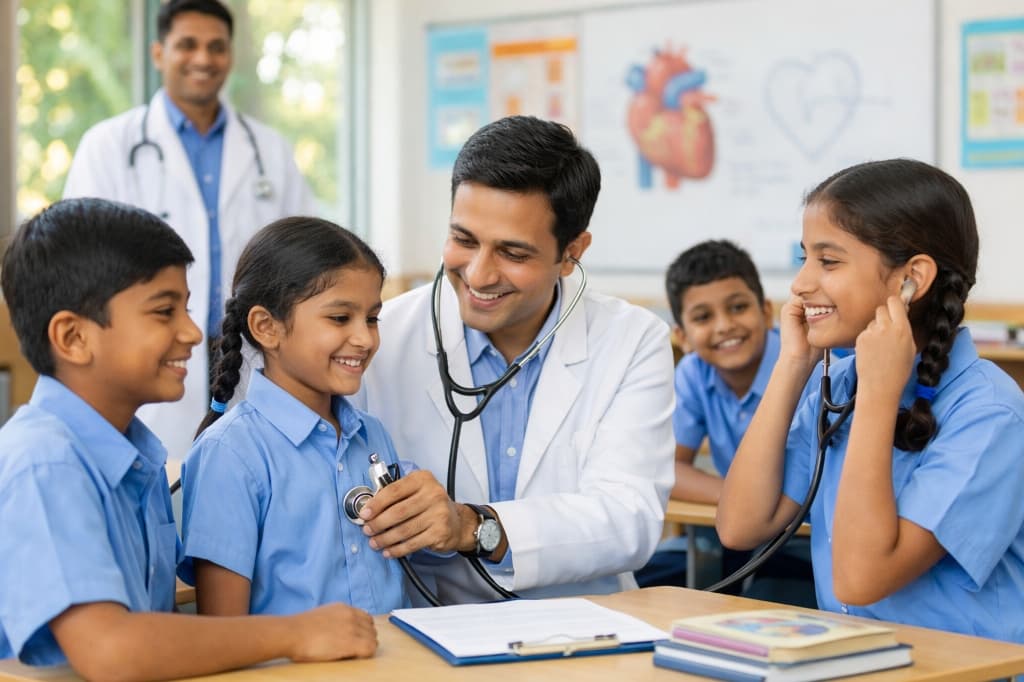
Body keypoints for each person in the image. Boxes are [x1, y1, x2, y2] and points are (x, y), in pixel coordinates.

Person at [0, 199, 375, 678]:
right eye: (164, 311)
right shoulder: (45, 463)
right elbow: (111, 650)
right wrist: (297, 633)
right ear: (73, 337)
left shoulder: (136, 458)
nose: (194, 332)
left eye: (187, 308)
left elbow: (157, 628)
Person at [351, 115, 676, 605]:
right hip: (427, 631)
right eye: (464, 240)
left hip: (580, 631)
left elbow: (628, 517)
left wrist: (473, 526)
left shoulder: (632, 340)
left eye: (513, 252)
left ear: (571, 252)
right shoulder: (381, 338)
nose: (479, 273)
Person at [716, 159, 1024, 642]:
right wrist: (791, 365)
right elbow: (741, 526)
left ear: (911, 280)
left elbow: (861, 581)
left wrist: (879, 396)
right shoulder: (839, 383)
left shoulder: (990, 414)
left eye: (829, 261)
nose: (800, 284)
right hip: (858, 661)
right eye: (805, 259)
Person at [63, 0, 316, 461]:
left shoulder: (270, 151)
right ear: (159, 53)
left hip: (250, 355)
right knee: (160, 492)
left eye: (216, 47)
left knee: (247, 482)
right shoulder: (108, 147)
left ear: (230, 57)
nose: (203, 58)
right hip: (147, 354)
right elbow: (80, 266)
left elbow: (306, 261)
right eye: (188, 45)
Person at [179, 217, 407, 617]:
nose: (366, 338)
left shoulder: (371, 435)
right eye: (340, 318)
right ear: (267, 327)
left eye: (372, 318)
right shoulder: (230, 455)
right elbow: (224, 631)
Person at [635, 241, 815, 606]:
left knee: (770, 602)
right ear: (681, 336)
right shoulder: (694, 373)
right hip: (734, 533)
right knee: (641, 586)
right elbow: (664, 466)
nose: (725, 326)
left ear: (766, 312)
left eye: (738, 308)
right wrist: (740, 501)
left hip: (804, 538)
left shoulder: (803, 363)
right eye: (703, 317)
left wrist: (750, 507)